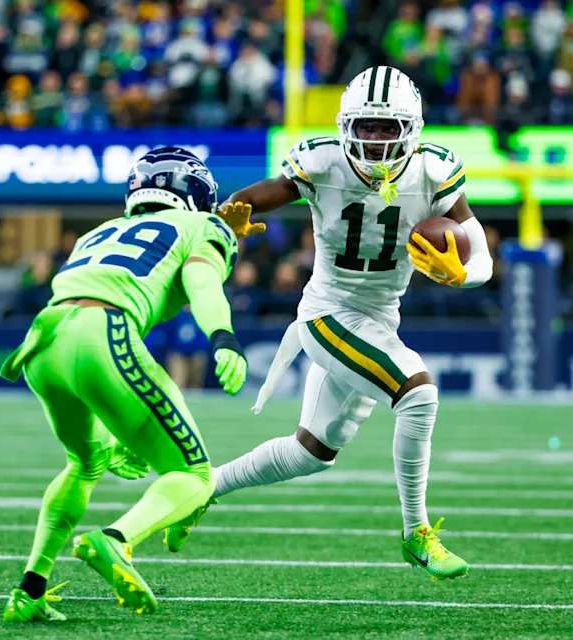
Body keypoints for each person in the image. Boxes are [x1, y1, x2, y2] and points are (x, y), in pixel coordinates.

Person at [167, 66, 495, 581]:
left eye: (388, 128)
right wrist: (227, 216)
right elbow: (270, 191)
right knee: (418, 392)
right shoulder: (322, 161)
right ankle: (417, 533)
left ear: (412, 129)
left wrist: (463, 275)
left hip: (380, 318)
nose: (376, 139)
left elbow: (482, 256)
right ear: (346, 125)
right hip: (328, 312)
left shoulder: (433, 172)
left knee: (311, 452)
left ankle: (199, 491)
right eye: (367, 127)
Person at [0, 147, 246, 622]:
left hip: (42, 341)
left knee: (85, 462)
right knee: (194, 475)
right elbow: (201, 281)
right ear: (195, 194)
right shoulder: (204, 226)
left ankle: (29, 589)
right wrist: (224, 337)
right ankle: (114, 540)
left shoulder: (96, 232)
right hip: (103, 334)